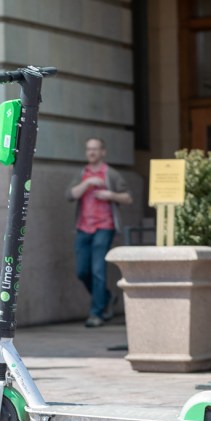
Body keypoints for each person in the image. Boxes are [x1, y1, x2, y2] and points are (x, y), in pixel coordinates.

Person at [65, 137, 132, 328]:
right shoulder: (82, 174)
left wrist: (110, 195)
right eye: (88, 149)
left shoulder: (111, 174)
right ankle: (106, 298)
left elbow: (128, 198)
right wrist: (87, 183)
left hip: (105, 226)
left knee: (98, 271)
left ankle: (96, 313)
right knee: (82, 271)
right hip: (83, 227)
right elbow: (69, 195)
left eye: (95, 149)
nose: (91, 152)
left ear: (103, 152)